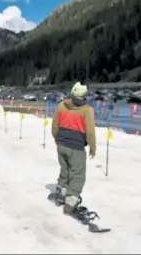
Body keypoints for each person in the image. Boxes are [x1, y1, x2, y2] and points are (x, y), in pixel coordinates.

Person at [50, 82, 96, 216]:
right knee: (77, 174)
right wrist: (92, 147)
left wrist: (57, 139)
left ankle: (61, 195)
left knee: (65, 170)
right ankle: (70, 203)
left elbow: (54, 125)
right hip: (76, 147)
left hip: (62, 145)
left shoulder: (61, 106)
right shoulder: (87, 110)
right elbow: (90, 132)